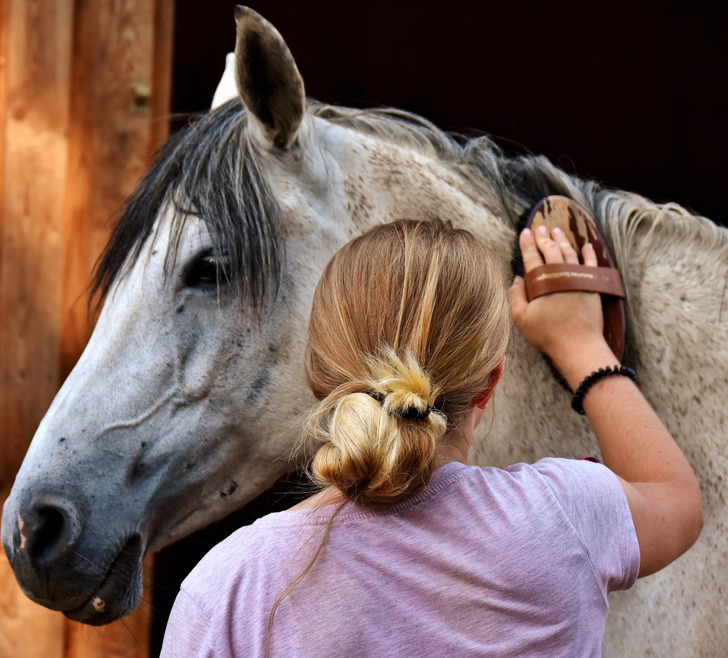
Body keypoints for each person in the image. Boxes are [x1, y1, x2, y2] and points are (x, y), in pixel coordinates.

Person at [161, 216, 702, 657]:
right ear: (490, 383)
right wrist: (581, 343)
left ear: (318, 376)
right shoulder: (564, 516)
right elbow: (675, 499)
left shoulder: (229, 591)